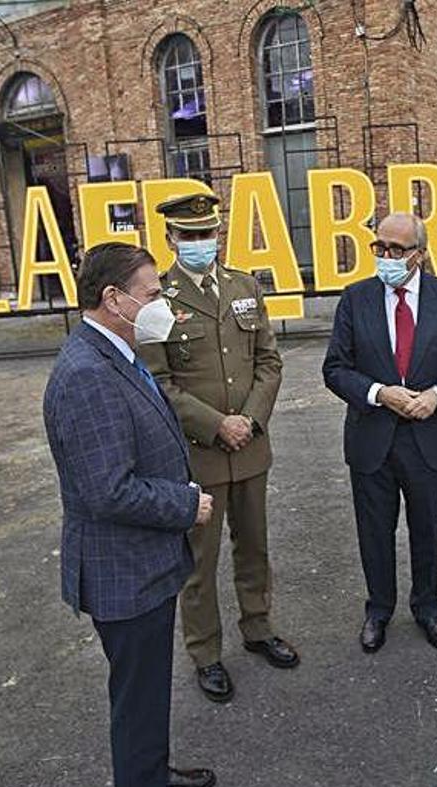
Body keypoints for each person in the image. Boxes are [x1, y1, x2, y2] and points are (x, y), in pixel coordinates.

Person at [43, 243, 218, 787]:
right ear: (113, 300)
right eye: (151, 294)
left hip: (141, 564)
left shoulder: (113, 352)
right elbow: (105, 489)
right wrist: (185, 505)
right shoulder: (87, 373)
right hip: (123, 570)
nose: (162, 305)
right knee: (137, 697)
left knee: (146, 692)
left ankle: (150, 774)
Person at [144, 193, 299, 703]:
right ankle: (206, 653)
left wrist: (249, 420)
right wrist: (217, 425)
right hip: (198, 453)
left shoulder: (244, 286)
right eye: (187, 237)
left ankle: (257, 627)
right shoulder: (156, 302)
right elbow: (158, 382)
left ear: (218, 234)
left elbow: (268, 362)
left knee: (255, 545)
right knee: (199, 560)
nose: (198, 244)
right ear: (170, 240)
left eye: (205, 234)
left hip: (250, 446)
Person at [322, 212, 437, 653]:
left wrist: (436, 395)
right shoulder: (356, 299)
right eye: (380, 248)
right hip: (372, 439)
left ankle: (428, 609)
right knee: (374, 531)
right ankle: (379, 610)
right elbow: (335, 369)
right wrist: (377, 393)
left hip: (430, 438)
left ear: (421, 254)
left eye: (396, 249)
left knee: (427, 529)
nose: (386, 256)